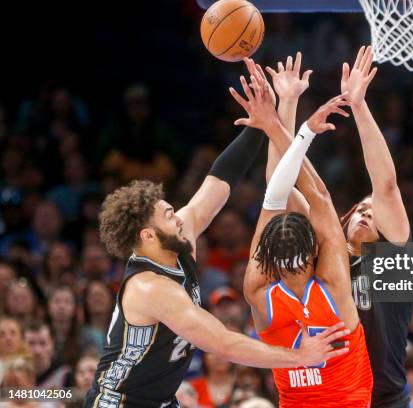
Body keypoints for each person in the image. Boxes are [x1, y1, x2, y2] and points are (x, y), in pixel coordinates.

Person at [86, 106, 350, 406]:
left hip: (158, 400)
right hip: (119, 401)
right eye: (169, 215)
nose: (180, 217)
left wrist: (259, 124)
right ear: (148, 235)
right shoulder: (151, 288)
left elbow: (219, 182)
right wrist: (301, 357)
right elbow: (223, 344)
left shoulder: (177, 239)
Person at [235, 59, 372, 406]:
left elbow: (274, 192)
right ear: (314, 251)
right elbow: (314, 196)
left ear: (268, 258)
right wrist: (286, 125)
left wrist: (285, 110)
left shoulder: (257, 289)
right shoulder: (332, 284)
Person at [335, 46, 413, 408]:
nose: (368, 212)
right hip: (336, 395)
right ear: (345, 219)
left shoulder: (393, 262)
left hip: (385, 399)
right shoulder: (326, 261)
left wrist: (359, 106)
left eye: (375, 212)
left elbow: (385, 186)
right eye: (361, 209)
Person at [24, 321, 71, 389]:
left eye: (43, 343)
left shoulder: (64, 375)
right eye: (31, 343)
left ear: (52, 344)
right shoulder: (13, 376)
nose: (37, 351)